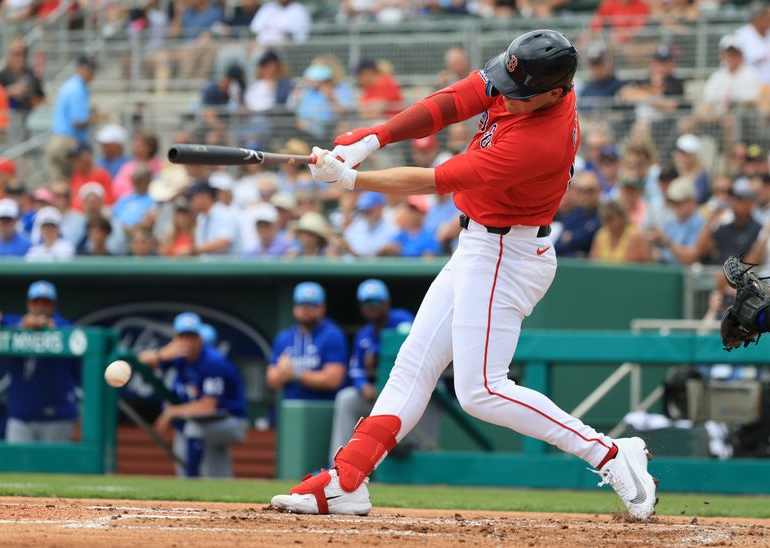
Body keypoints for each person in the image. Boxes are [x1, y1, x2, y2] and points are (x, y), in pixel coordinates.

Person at [270, 30, 657, 520]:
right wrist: (373, 137)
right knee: (413, 365)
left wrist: (351, 179)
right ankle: (348, 480)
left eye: (519, 94)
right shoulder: (525, 79)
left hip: (506, 256)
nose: (504, 95)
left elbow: (437, 180)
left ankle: (608, 452)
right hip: (478, 245)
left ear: (556, 93)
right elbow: (452, 101)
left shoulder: (542, 139)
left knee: (482, 391)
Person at [138, 312, 249, 477]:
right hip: (204, 422)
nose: (187, 342)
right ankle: (202, 485)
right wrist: (163, 354)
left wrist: (171, 412)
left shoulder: (212, 360)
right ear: (176, 338)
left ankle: (192, 480)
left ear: (200, 338)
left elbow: (208, 406)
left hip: (230, 421)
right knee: (214, 468)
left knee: (192, 429)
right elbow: (141, 359)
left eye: (192, 336)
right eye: (183, 336)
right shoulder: (179, 357)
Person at [329, 279, 419, 461]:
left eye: (376, 302)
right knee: (347, 399)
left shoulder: (402, 319)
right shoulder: (364, 335)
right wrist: (363, 386)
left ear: (387, 303)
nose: (371, 307)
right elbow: (355, 369)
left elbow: (412, 348)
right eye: (366, 303)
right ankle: (338, 465)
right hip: (377, 394)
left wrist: (378, 353)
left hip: (409, 391)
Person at [0, 281, 79, 442]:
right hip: (21, 415)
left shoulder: (65, 328)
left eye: (46, 302)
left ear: (53, 305)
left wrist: (42, 325)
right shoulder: (18, 323)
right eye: (36, 301)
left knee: (53, 465)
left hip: (57, 415)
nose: (41, 306)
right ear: (29, 303)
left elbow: (67, 331)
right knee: (17, 466)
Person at [266, 282, 348, 401]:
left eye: (312, 305)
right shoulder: (284, 337)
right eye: (301, 304)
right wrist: (282, 372)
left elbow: (333, 380)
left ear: (322, 308)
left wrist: (296, 374)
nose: (306, 309)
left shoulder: (332, 335)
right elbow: (271, 381)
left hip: (323, 408)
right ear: (294, 307)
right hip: (290, 408)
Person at [46, 54, 98, 181]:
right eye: (88, 69)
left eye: (92, 69)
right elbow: (78, 122)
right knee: (73, 184)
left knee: (59, 185)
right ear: (79, 68)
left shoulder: (71, 85)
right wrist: (96, 118)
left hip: (57, 140)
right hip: (67, 142)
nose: (91, 73)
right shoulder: (77, 88)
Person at [554, 170, 601, 257]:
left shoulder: (602, 215)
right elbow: (558, 246)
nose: (585, 195)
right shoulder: (573, 214)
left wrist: (571, 237)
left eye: (590, 191)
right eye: (581, 191)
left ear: (598, 191)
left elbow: (586, 240)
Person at [189, 182, 240, 256]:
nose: (191, 202)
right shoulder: (202, 217)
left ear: (205, 197)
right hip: (208, 264)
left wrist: (192, 250)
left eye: (192, 197)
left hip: (228, 265)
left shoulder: (224, 213)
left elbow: (223, 243)